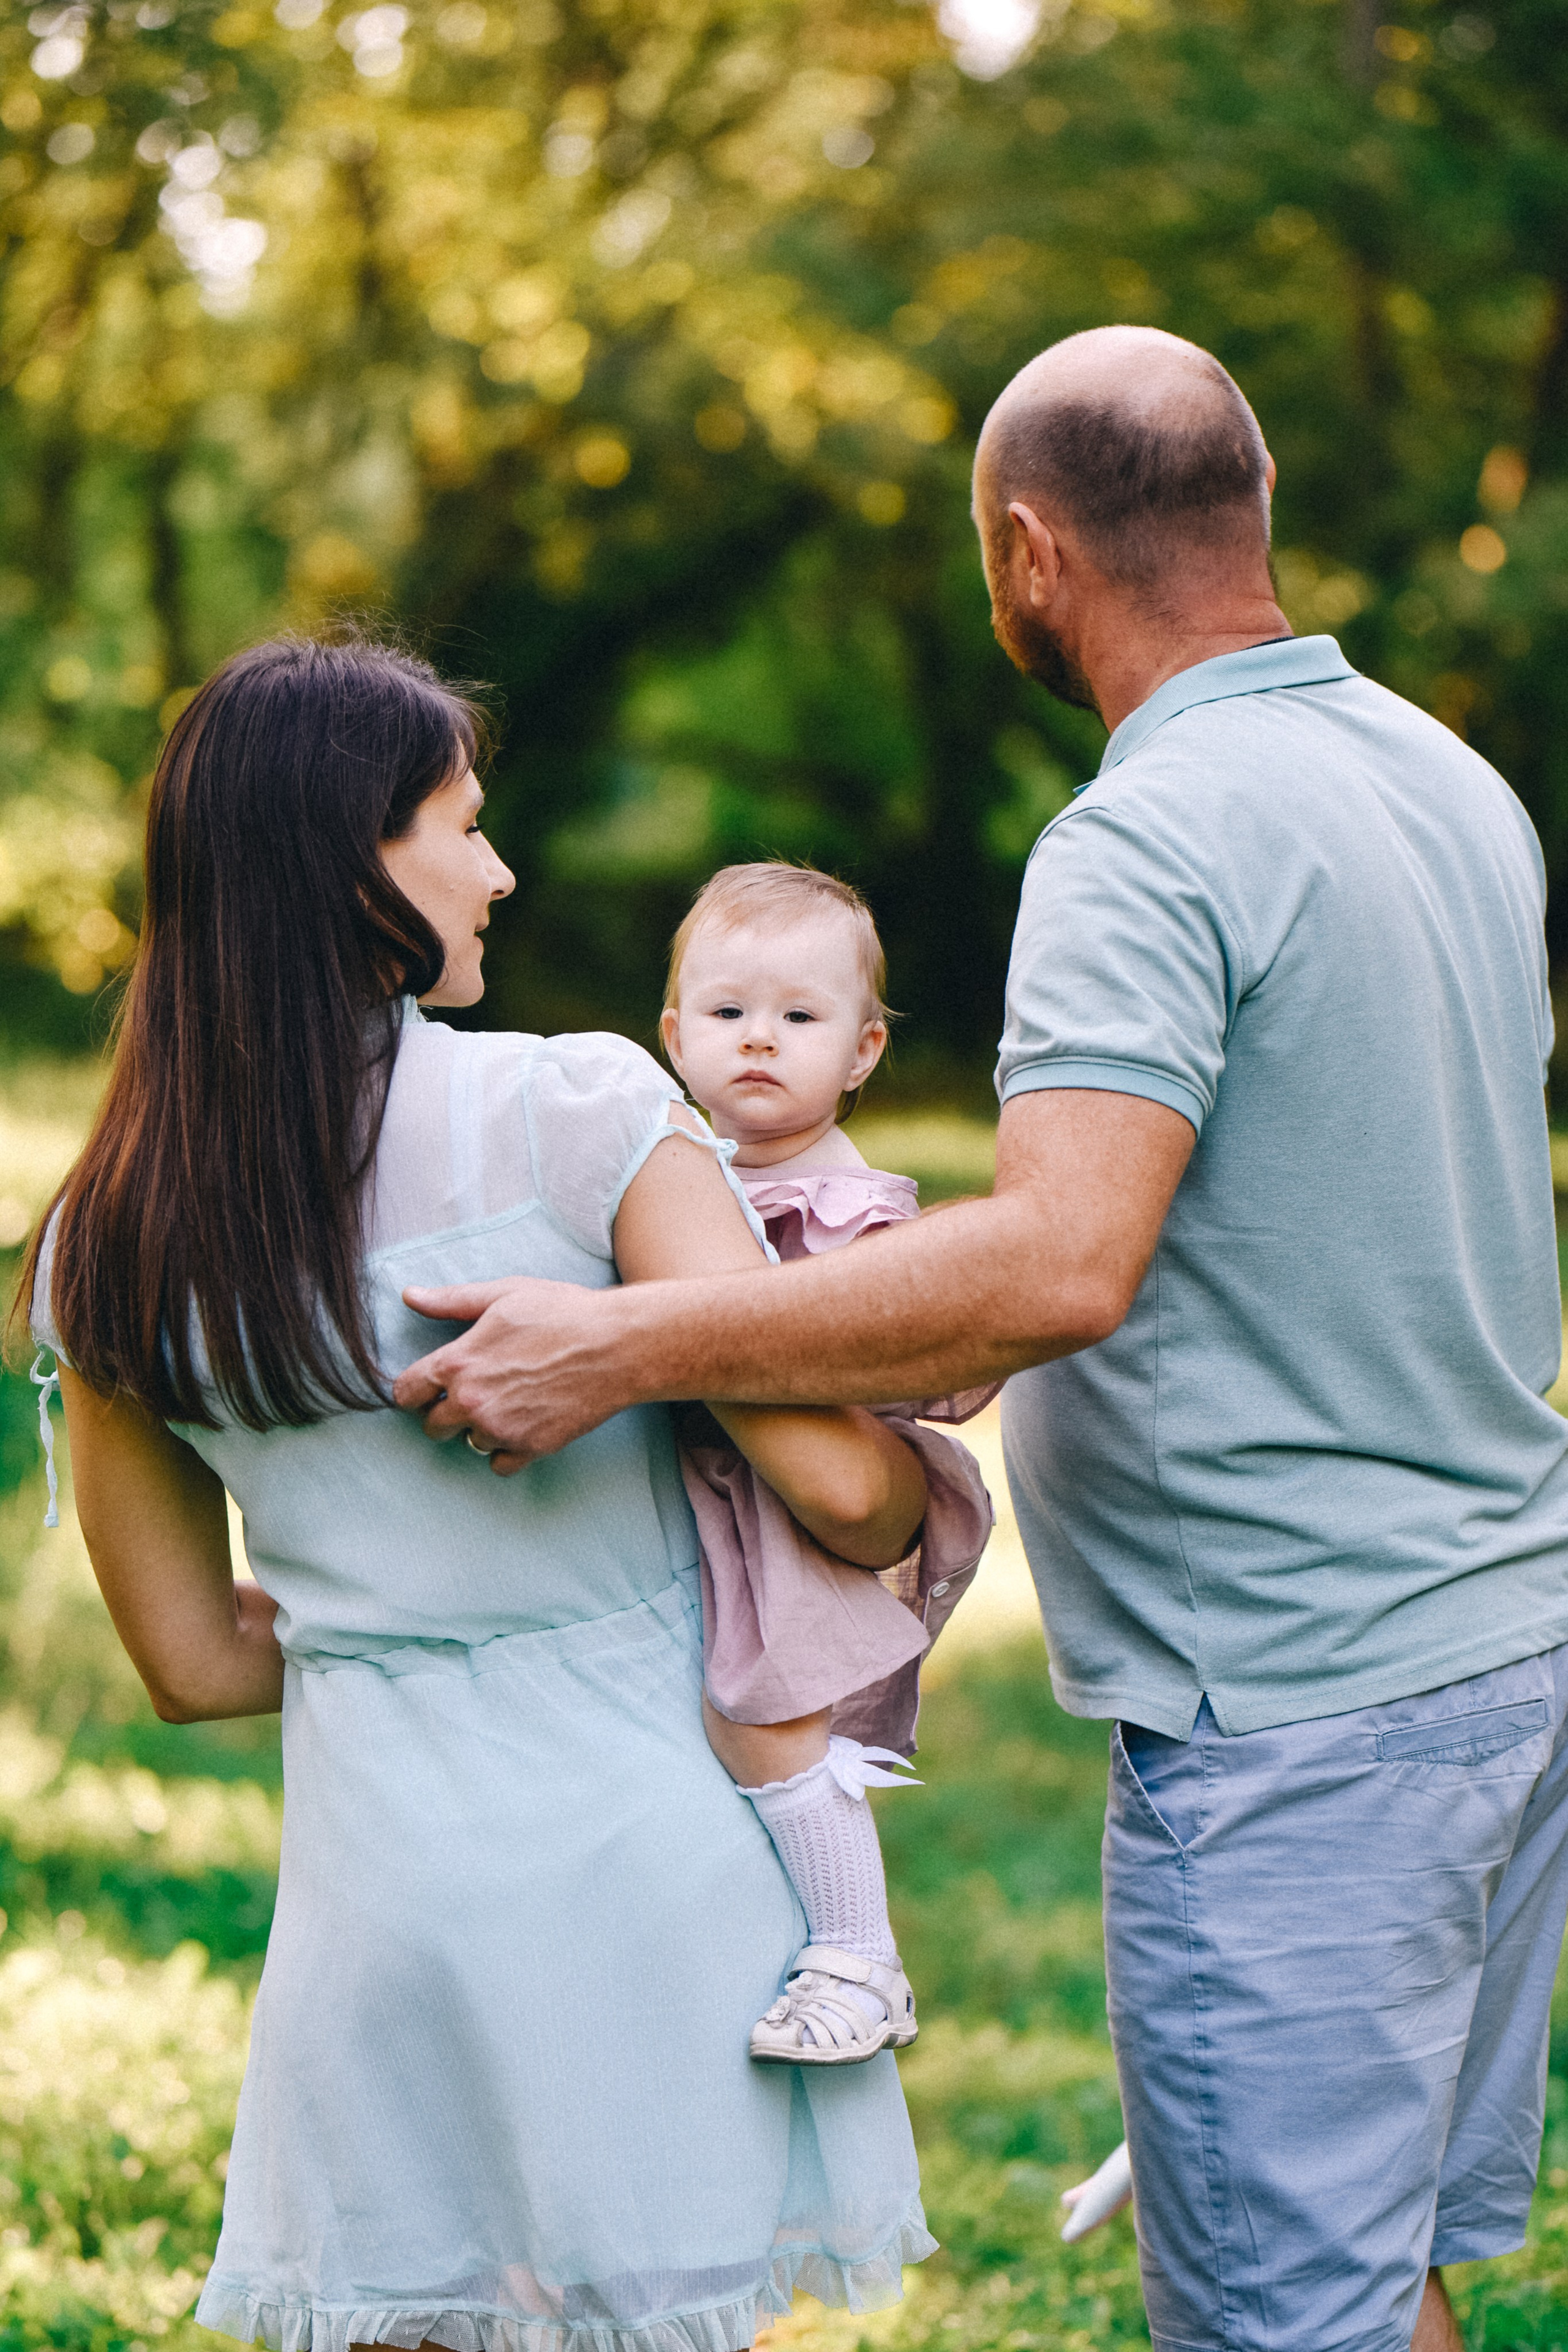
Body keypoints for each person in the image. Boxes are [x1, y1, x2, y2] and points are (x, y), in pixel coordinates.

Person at [394, 325, 1568, 2352]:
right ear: (1252, 507)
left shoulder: (1152, 827)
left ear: (1030, 553)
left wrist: (633, 1339)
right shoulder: (1447, 782)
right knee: (1391, 2294)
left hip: (1293, 1707)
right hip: (1502, 1654)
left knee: (1291, 2325)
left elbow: (1054, 1264)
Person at [20, 636, 939, 2352]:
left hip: (388, 1890)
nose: (499, 869)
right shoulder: (581, 1110)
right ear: (360, 860)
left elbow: (192, 1667)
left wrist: (388, 1622)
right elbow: (850, 1498)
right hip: (648, 1846)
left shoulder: (110, 1241)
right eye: (464, 823)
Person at [660, 860, 994, 2067]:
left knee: (771, 1716)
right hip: (699, 1502)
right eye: (727, 1013)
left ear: (860, 1053)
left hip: (793, 1510)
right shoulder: (667, 1179)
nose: (758, 1041)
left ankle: (859, 1955)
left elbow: (887, 1362)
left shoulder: (846, 1210)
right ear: (672, 1033)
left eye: (798, 1020)